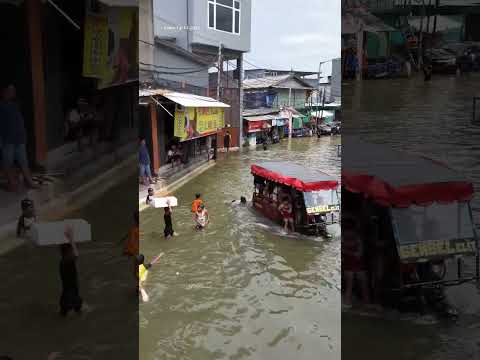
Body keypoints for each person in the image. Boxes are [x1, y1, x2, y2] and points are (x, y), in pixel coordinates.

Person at [0, 83, 38, 191]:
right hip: (8, 141)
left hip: (19, 139)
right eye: (10, 90)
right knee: (8, 163)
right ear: (4, 92)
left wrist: (23, 135)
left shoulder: (15, 104)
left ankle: (29, 181)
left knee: (23, 161)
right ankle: (12, 184)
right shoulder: (1, 105)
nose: (13, 93)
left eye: (13, 91)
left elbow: (19, 121)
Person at [342, 218, 371, 309]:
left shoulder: (356, 238)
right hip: (352, 265)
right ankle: (349, 302)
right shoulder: (354, 238)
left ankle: (364, 303)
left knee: (361, 284)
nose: (348, 233)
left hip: (357, 265)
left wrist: (345, 251)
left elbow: (359, 254)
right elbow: (359, 253)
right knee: (352, 283)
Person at [59, 226, 83, 317]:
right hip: (71, 294)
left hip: (67, 294)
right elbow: (76, 255)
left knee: (64, 313)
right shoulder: (67, 261)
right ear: (67, 253)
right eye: (71, 250)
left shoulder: (63, 261)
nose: (73, 251)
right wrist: (71, 238)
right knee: (78, 311)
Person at [124, 212, 139, 288]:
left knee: (135, 272)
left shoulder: (133, 230)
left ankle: (139, 286)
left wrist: (127, 251)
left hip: (136, 253)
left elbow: (132, 242)